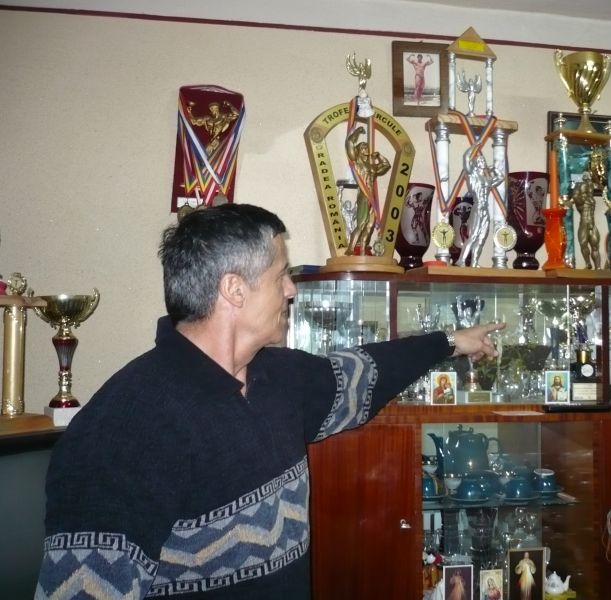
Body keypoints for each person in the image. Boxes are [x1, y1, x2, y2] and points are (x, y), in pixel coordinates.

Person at [35, 203, 502, 599]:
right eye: (281, 275)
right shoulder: (124, 427)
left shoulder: (280, 378)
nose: (291, 291)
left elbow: (365, 373)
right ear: (234, 289)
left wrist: (450, 342)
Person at [345, 125, 391, 256]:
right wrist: (357, 132)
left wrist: (379, 156)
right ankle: (350, 249)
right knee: (361, 224)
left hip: (372, 198)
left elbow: (386, 165)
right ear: (358, 151)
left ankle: (363, 251)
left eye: (367, 147)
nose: (366, 149)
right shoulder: (357, 162)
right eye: (363, 147)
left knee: (369, 227)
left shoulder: (372, 167)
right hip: (364, 195)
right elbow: (349, 143)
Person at [457, 144, 503, 267]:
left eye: (483, 160)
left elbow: (501, 177)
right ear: (476, 164)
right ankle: (461, 260)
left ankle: (474, 263)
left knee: (481, 238)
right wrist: (475, 145)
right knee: (473, 236)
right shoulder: (472, 177)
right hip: (477, 208)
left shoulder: (487, 180)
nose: (483, 162)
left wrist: (493, 169)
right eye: (480, 160)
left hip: (485, 210)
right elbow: (466, 157)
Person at [572, 171, 600, 269]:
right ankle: (588, 264)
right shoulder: (581, 202)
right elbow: (576, 197)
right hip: (584, 223)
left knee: (595, 246)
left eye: (590, 191)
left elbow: (594, 186)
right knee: (583, 243)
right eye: (585, 192)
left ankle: (598, 267)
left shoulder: (591, 201)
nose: (589, 192)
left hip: (592, 224)